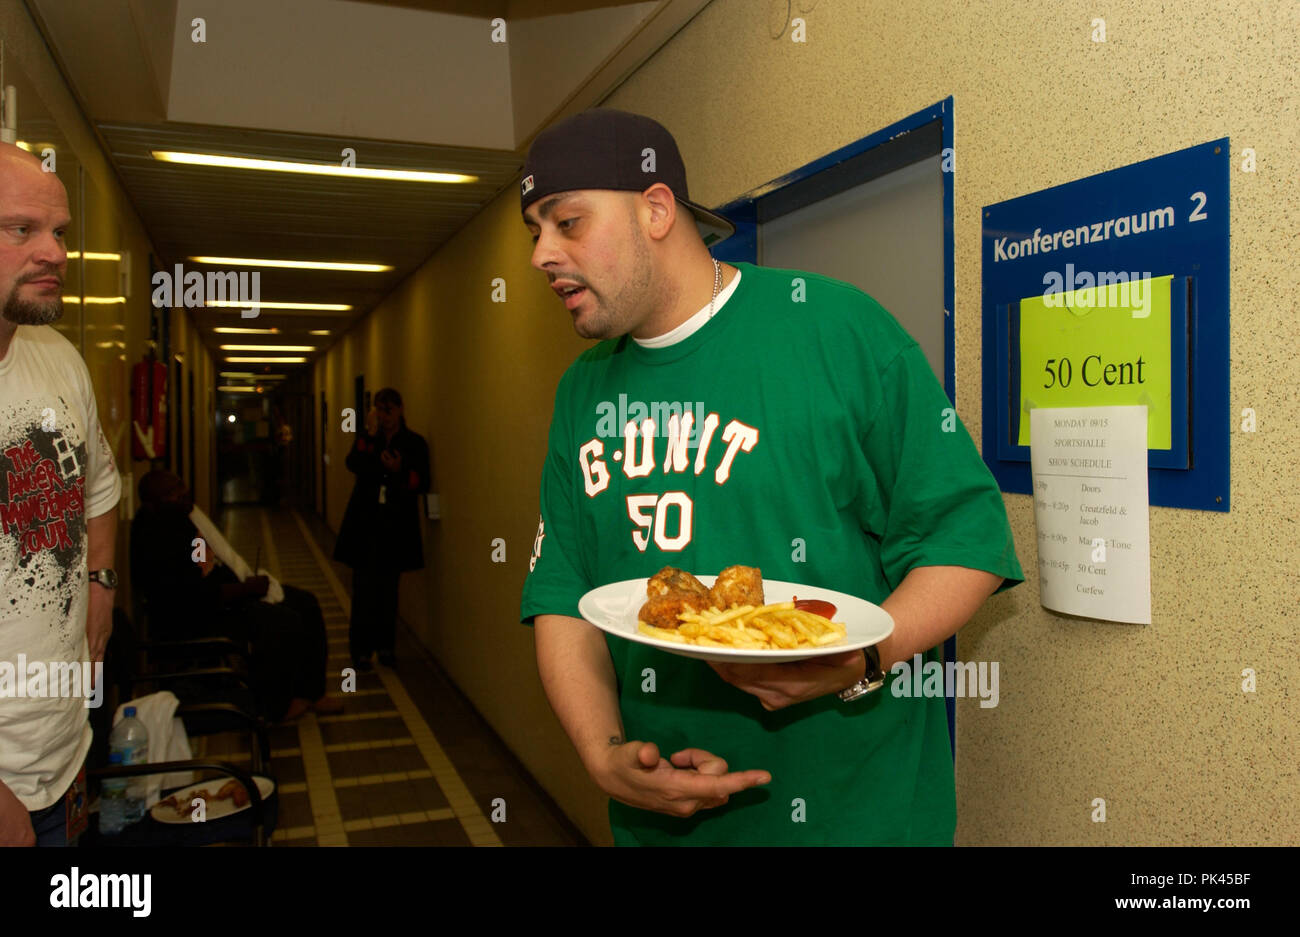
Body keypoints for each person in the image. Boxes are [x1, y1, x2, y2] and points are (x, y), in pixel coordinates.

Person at [518, 109, 1025, 845]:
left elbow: (967, 543)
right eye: (534, 231)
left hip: (856, 818)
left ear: (657, 210)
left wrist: (862, 658)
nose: (541, 254)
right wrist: (602, 756)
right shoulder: (582, 390)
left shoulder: (837, 331)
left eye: (566, 222)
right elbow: (564, 597)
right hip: (666, 827)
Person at [0, 142, 120, 845]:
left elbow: (100, 484)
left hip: (64, 754)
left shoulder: (58, 359)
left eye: (61, 233)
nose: (54, 252)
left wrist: (101, 580)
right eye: (22, 229)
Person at [130, 470, 342, 720]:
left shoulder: (183, 519)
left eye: (181, 488)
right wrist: (247, 589)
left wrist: (243, 582)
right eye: (173, 494)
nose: (183, 496)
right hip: (197, 616)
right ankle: (274, 706)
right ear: (152, 504)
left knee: (306, 602)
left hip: (221, 594)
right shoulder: (157, 535)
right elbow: (194, 595)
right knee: (283, 622)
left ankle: (311, 692)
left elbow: (204, 566)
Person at [333, 388, 430, 670]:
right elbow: (353, 463)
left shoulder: (413, 443)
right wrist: (368, 434)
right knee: (362, 590)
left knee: (388, 591)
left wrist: (399, 470)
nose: (384, 416)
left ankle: (386, 647)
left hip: (395, 527)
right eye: (379, 410)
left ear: (400, 409)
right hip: (365, 525)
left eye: (388, 410)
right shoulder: (368, 441)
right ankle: (361, 651)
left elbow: (421, 482)